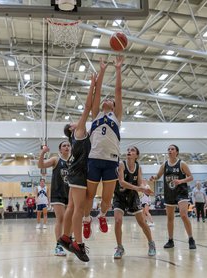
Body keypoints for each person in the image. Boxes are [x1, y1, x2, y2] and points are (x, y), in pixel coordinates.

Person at [83, 56, 124, 238]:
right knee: (89, 196)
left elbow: (118, 91)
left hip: (111, 161)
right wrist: (102, 70)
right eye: (104, 99)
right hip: (94, 159)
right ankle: (86, 220)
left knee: (107, 199)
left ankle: (101, 215)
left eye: (110, 100)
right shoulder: (96, 115)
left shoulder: (117, 117)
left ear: (114, 107)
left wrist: (117, 69)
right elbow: (96, 93)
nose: (107, 99)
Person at [57, 73, 96, 262]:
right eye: (72, 123)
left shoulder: (77, 136)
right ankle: (78, 244)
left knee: (72, 206)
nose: (76, 121)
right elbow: (88, 107)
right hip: (79, 174)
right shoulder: (79, 132)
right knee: (78, 208)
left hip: (75, 173)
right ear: (72, 129)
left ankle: (65, 237)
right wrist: (92, 84)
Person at [150, 144, 196, 249]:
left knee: (183, 215)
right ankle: (170, 240)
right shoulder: (164, 165)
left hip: (181, 192)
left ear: (177, 152)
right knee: (170, 218)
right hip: (169, 193)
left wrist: (180, 181)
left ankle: (191, 239)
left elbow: (191, 177)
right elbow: (158, 176)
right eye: (169, 149)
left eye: (172, 149)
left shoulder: (181, 163)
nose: (170, 150)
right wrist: (154, 177)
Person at [113, 146, 156, 259]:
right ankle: (119, 247)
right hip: (120, 195)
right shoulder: (122, 164)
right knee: (118, 220)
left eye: (132, 150)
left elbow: (139, 183)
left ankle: (151, 243)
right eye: (128, 150)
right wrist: (138, 188)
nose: (129, 151)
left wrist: (145, 188)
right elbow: (121, 182)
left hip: (133, 196)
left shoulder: (138, 167)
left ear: (136, 155)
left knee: (142, 222)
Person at [37, 140, 71, 256]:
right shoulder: (56, 160)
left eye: (68, 145)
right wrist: (43, 153)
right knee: (60, 219)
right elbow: (40, 165)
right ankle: (58, 245)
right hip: (58, 193)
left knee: (69, 219)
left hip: (70, 194)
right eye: (64, 146)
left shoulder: (74, 161)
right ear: (60, 149)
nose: (66, 147)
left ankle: (68, 241)